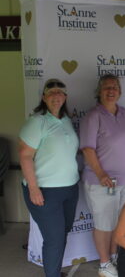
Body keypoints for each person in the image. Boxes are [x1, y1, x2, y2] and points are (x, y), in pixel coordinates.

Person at [19, 78, 79, 277]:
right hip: (45, 190)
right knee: (54, 238)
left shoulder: (66, 120)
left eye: (59, 92)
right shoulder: (37, 121)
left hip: (70, 188)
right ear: (44, 97)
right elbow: (25, 155)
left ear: (65, 97)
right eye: (51, 92)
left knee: (62, 234)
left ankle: (53, 272)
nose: (56, 96)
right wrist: (33, 189)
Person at [80, 73, 125, 277]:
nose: (111, 91)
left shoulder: (124, 113)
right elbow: (87, 149)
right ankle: (104, 265)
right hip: (103, 182)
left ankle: (114, 256)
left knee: (119, 223)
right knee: (104, 225)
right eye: (106, 87)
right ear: (99, 92)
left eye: (114, 87)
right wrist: (101, 174)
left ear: (120, 92)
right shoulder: (93, 116)